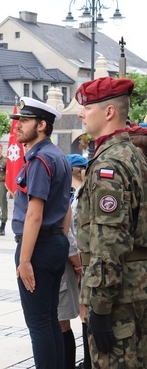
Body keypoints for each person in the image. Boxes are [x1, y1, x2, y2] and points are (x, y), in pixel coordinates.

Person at [75, 77, 147, 368]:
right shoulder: (133, 154)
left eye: (87, 107)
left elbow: (109, 241)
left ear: (108, 113)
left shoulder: (109, 164)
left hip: (119, 296)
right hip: (135, 285)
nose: (81, 113)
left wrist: (101, 306)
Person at [10, 96, 71, 369]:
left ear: (42, 125)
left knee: (38, 324)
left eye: (24, 120)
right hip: (55, 241)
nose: (18, 126)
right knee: (49, 319)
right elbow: (66, 206)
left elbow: (34, 214)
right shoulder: (58, 156)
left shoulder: (39, 160)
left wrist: (25, 260)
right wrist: (62, 240)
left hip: (38, 247)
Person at [60, 154, 86, 369]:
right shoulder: (79, 194)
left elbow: (71, 236)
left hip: (78, 261)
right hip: (81, 260)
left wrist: (77, 266)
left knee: (80, 315)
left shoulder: (78, 196)